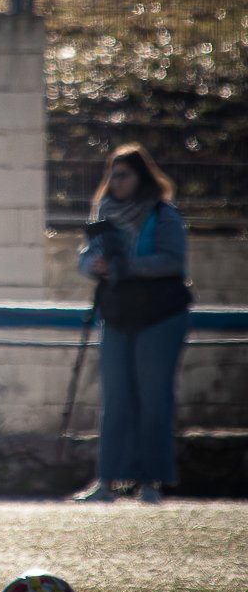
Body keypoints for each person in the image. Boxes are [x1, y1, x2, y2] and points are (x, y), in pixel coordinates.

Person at [74, 143, 192, 504]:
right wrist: (95, 265)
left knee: (154, 398)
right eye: (113, 174)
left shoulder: (163, 214)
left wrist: (125, 266)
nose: (116, 181)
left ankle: (152, 482)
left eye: (124, 175)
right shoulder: (105, 214)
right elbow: (85, 257)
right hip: (118, 315)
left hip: (160, 316)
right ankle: (107, 481)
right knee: (115, 399)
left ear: (141, 177)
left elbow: (173, 261)